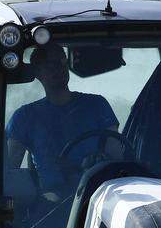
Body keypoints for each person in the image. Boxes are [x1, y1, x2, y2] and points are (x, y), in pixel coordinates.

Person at [6, 43, 120, 181]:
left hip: (98, 191)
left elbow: (116, 159)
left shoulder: (97, 105)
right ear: (37, 72)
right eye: (50, 64)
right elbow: (9, 174)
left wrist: (100, 162)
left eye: (61, 61)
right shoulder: (24, 117)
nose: (58, 68)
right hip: (49, 199)